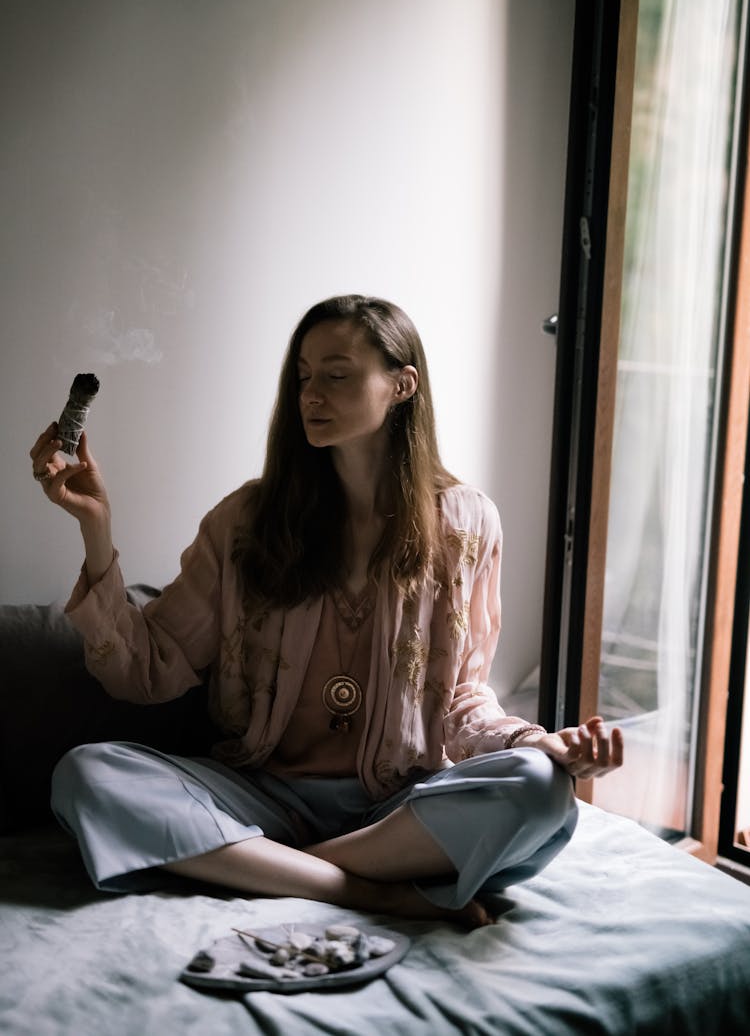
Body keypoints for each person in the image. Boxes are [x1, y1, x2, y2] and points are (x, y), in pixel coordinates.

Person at [30, 295, 623, 928]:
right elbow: (145, 671)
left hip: (395, 810)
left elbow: (460, 702)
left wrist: (541, 743)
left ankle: (274, 868)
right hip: (258, 794)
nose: (311, 394)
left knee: (540, 789)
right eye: (304, 376)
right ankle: (364, 891)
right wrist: (96, 529)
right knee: (86, 774)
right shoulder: (246, 523)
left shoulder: (467, 522)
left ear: (402, 384)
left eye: (336, 374)